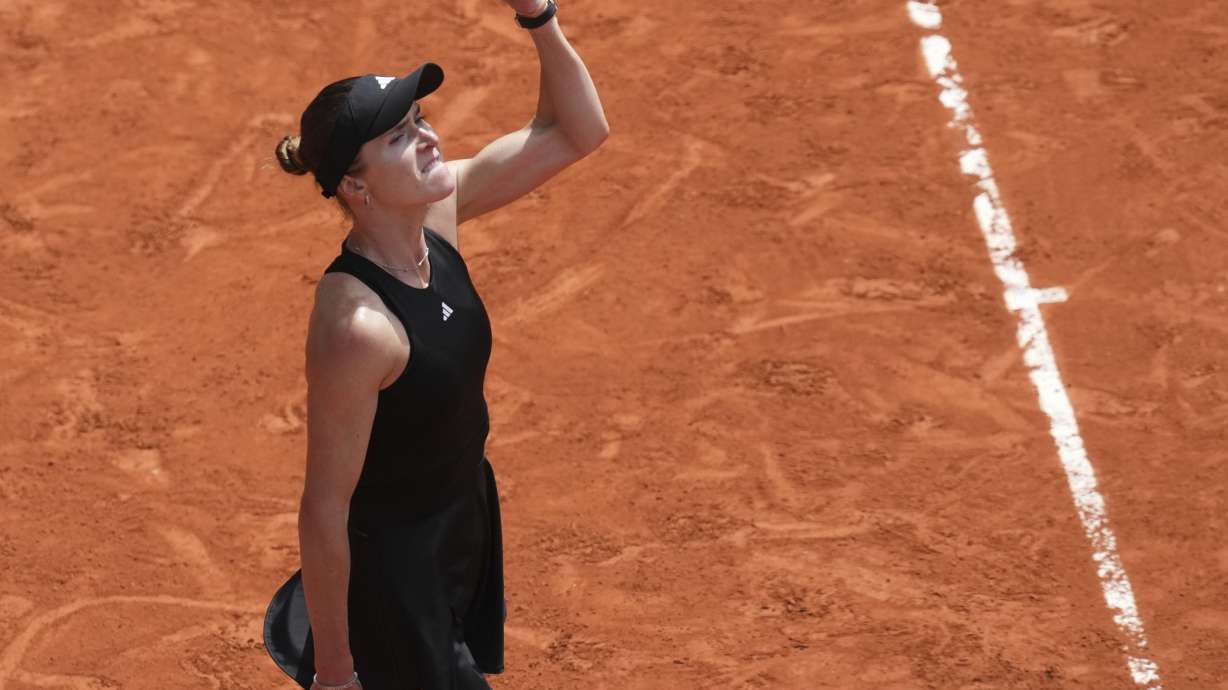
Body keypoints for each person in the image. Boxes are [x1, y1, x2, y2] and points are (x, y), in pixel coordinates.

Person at [261, 1, 608, 688]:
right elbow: (324, 509)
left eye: (419, 119)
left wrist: (537, 15)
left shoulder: (435, 218)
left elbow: (577, 131)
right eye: (398, 136)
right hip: (397, 572)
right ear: (355, 186)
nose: (427, 138)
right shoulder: (358, 328)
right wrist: (336, 673)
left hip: (460, 519)